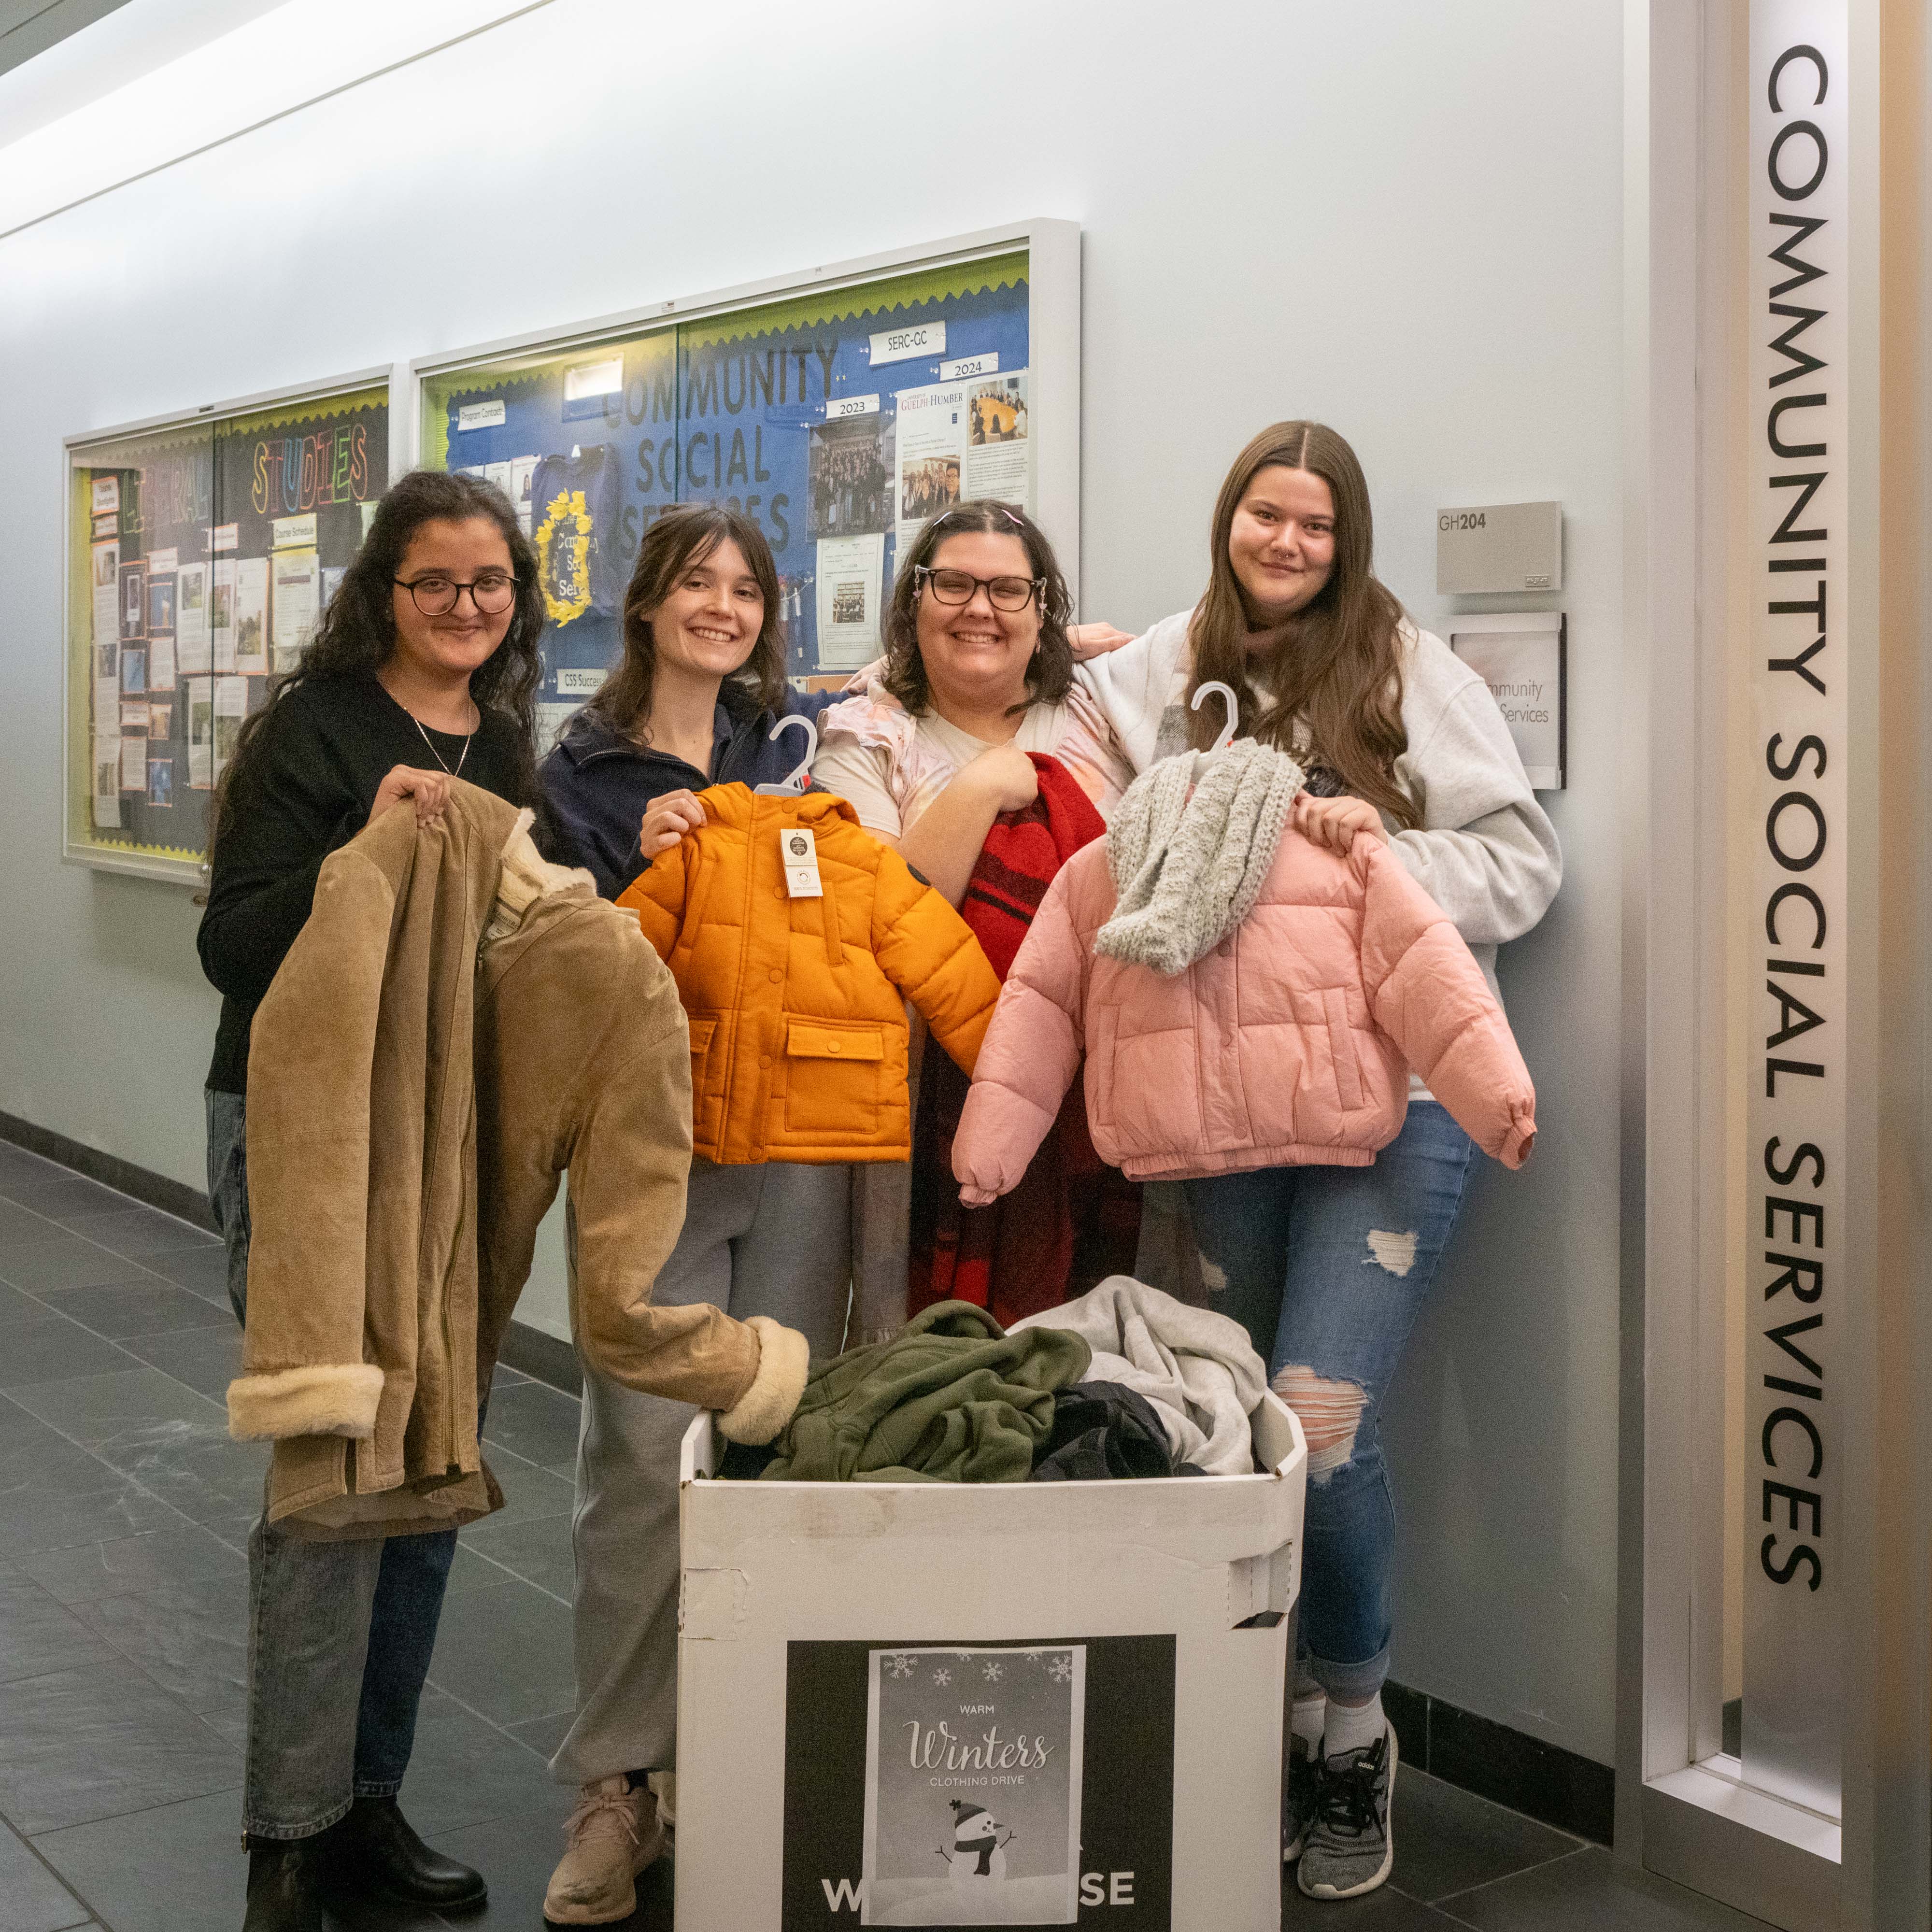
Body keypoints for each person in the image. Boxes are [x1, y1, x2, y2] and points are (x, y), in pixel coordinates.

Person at [1076, 422, 1562, 1902]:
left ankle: (1351, 1721)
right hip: (1213, 1107)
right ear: (1226, 520)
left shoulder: (1409, 669)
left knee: (1318, 1420)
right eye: (1261, 515)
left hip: (1388, 1105)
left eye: (1314, 522)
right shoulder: (1156, 665)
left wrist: (1368, 853)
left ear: (1345, 539)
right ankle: (1268, 1710)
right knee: (1232, 1424)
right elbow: (1056, 774)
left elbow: (1526, 860)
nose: (1285, 542)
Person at [198, 469, 545, 1932]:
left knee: (426, 1471)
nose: (467, 609)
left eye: (491, 584)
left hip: (441, 1135)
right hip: (302, 1130)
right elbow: (236, 944)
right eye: (436, 584)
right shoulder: (315, 731)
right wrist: (367, 846)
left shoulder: (511, 743)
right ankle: (290, 1829)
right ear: (382, 592)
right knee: (329, 1459)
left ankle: (369, 1804)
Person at [537, 505, 855, 1926]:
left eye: (745, 589)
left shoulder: (795, 741)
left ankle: (748, 1757)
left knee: (781, 1440)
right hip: (646, 1160)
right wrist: (649, 872)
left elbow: (936, 701)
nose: (721, 607)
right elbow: (550, 967)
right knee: (636, 1464)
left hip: (792, 1145)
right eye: (696, 585)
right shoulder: (580, 772)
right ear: (649, 603)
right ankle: (614, 1786)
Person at [810, 499, 1133, 900]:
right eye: (953, 584)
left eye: (1009, 590)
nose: (980, 608)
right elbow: (875, 916)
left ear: (1041, 611)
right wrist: (980, 788)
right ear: (916, 603)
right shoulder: (865, 742)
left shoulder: (1099, 703)